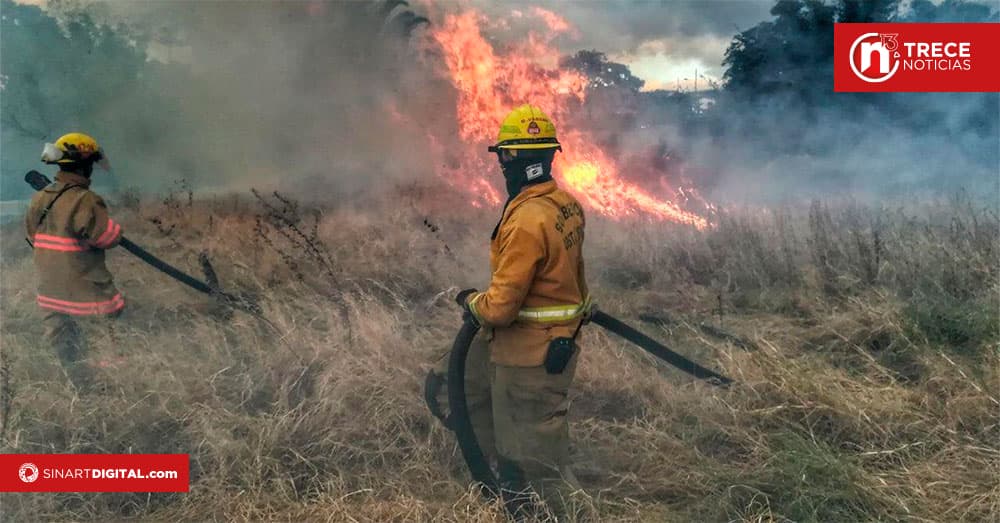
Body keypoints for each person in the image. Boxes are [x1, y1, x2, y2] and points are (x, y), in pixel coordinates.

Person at [430, 105, 591, 519]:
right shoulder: (565, 205)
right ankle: (497, 479)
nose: (501, 165)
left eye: (504, 156)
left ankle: (552, 510)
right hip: (532, 343)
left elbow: (500, 308)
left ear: (517, 160)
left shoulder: (527, 220)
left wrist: (471, 302)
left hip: (530, 355)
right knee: (459, 386)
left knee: (536, 452)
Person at [25, 133, 124, 389]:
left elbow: (31, 237)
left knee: (64, 346)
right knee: (102, 342)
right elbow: (106, 238)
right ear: (85, 165)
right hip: (85, 292)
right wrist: (114, 229)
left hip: (49, 292)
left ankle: (74, 387)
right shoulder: (85, 199)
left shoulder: (41, 197)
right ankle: (108, 391)